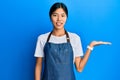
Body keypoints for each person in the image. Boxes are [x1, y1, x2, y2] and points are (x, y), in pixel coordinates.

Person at [34, 2, 111, 80]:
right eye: (55, 15)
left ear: (66, 17)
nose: (59, 19)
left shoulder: (75, 38)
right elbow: (38, 65)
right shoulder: (42, 38)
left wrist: (90, 46)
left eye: (63, 15)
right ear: (50, 17)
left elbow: (79, 68)